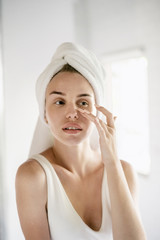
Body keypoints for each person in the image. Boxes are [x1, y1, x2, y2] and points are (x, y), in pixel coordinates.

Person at [15, 42, 146, 240]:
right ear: (44, 114)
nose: (72, 114)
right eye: (59, 102)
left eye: (83, 102)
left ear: (97, 110)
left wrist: (111, 162)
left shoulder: (124, 172)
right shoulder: (33, 177)